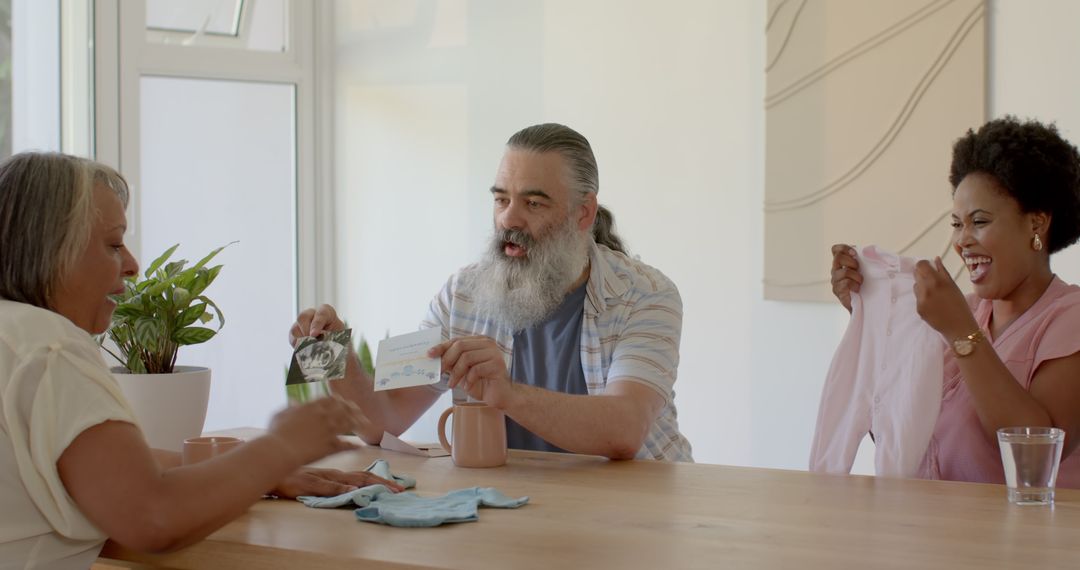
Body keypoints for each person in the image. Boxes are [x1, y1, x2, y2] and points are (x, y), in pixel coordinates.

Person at [0, 152, 401, 568]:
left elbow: (92, 462)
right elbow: (153, 517)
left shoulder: (14, 336)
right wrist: (279, 449)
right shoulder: (48, 346)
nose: (133, 266)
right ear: (50, 249)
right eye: (114, 244)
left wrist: (253, 473)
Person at [293, 123, 693, 461]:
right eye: (501, 199)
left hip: (636, 515)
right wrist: (334, 357)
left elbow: (624, 428)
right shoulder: (462, 294)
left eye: (533, 203)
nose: (508, 218)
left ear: (583, 213)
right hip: (512, 511)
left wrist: (506, 393)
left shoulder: (646, 295)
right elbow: (383, 420)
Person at [829, 117, 1080, 485]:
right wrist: (873, 319)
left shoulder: (1068, 320)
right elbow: (894, 435)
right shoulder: (961, 312)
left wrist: (960, 331)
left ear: (1036, 224)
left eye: (979, 221)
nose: (961, 241)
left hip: (1024, 542)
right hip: (930, 535)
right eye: (956, 224)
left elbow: (1034, 459)